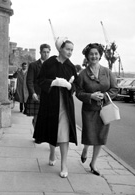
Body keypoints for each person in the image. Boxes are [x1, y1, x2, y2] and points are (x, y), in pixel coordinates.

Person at [33, 37, 78, 178]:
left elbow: (75, 85)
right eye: (67, 49)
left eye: (72, 50)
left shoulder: (71, 66)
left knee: (64, 133)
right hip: (51, 104)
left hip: (66, 105)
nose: (70, 52)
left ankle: (64, 164)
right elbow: (40, 80)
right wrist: (53, 82)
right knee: (53, 129)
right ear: (60, 48)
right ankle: (52, 152)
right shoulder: (49, 63)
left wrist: (70, 86)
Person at [75, 43, 118, 176]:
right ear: (87, 57)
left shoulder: (107, 72)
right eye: (91, 54)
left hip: (104, 110)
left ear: (100, 55)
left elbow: (114, 89)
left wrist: (105, 96)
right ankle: (85, 149)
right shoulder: (82, 74)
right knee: (89, 135)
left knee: (100, 136)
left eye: (96, 54)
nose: (93, 56)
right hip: (89, 110)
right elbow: (78, 92)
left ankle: (93, 164)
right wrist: (91, 96)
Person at [25, 44, 51, 127]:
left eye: (47, 52)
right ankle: (37, 135)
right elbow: (29, 81)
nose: (46, 54)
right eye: (44, 52)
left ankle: (42, 133)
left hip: (48, 94)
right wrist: (32, 93)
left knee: (46, 117)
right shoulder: (33, 65)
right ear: (40, 52)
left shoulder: (52, 66)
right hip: (37, 94)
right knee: (37, 116)